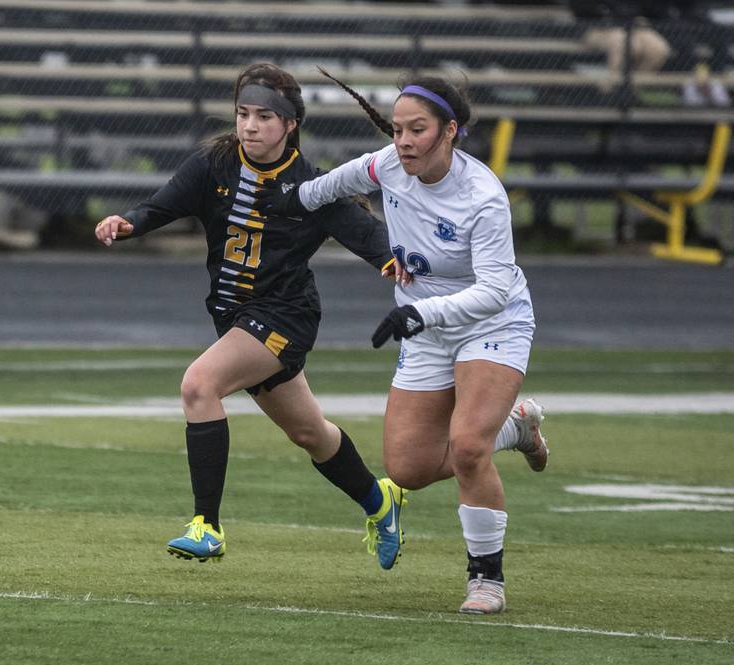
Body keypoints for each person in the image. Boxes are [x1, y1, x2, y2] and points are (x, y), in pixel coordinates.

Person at [95, 63, 543, 573]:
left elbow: (361, 226)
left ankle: (207, 526)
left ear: (291, 125)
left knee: (199, 385)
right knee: (313, 434)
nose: (249, 125)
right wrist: (127, 223)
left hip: (285, 315)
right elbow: (162, 205)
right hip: (233, 315)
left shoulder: (316, 182)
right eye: (243, 113)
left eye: (265, 116)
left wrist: (392, 261)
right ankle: (380, 503)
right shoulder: (214, 164)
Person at [260, 70, 549, 614]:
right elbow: (319, 192)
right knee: (409, 470)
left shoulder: (484, 198)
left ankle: (486, 580)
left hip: (493, 323)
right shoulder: (386, 165)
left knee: (466, 447)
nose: (403, 141)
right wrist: (274, 202)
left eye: (417, 130)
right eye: (397, 129)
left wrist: (420, 311)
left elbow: (492, 292)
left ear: (450, 132)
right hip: (424, 329)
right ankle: (515, 428)